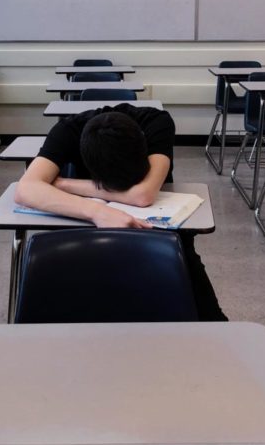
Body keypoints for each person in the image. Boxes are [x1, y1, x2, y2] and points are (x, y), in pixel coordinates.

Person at [15, 103, 227, 321]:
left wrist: (65, 184)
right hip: (89, 233)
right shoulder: (68, 130)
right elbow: (24, 190)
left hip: (163, 233)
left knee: (211, 318)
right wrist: (96, 211)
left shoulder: (156, 123)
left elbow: (142, 196)